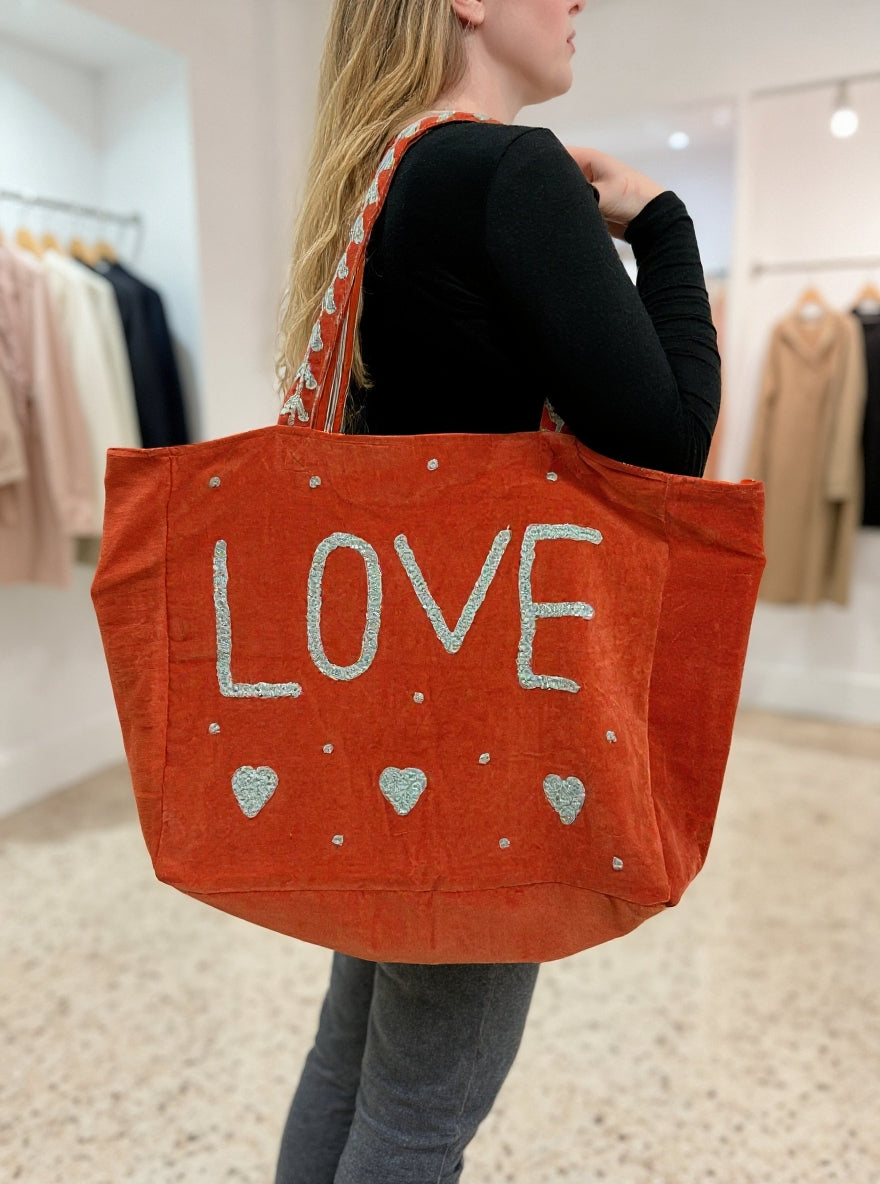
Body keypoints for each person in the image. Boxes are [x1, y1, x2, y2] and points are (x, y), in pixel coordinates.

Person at [272, 0, 721, 1180]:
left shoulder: (384, 177)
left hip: (378, 699)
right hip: (484, 713)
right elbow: (666, 446)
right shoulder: (504, 168)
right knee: (420, 1105)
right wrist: (666, 228)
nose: (582, 3)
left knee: (352, 1054)